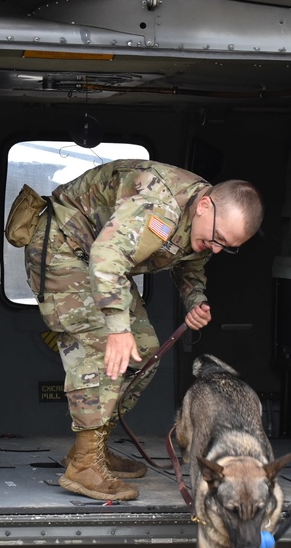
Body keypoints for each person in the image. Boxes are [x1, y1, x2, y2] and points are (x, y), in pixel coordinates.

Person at [24, 159, 263, 501]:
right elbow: (107, 256)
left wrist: (195, 300)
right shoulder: (160, 206)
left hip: (98, 263)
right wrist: (117, 329)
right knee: (104, 345)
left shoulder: (202, 217)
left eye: (226, 247)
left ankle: (91, 450)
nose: (215, 249)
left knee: (144, 352)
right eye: (217, 239)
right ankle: (83, 467)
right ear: (206, 205)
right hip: (64, 249)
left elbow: (191, 262)